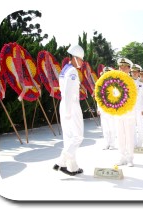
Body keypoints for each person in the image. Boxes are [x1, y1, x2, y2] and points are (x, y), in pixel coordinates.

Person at [53, 45, 85, 176]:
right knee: (78, 136)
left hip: (66, 105)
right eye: (81, 59)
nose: (82, 62)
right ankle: (61, 162)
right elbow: (68, 91)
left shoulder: (65, 69)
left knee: (69, 138)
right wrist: (68, 111)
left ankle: (72, 167)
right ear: (75, 58)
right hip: (71, 106)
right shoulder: (72, 71)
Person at [115, 58, 136, 167]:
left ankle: (130, 158)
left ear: (129, 69)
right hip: (118, 112)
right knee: (120, 135)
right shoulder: (115, 81)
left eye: (124, 67)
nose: (122, 69)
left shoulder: (132, 81)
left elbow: (134, 97)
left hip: (129, 112)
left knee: (129, 135)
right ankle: (121, 157)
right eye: (120, 67)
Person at [97, 66, 116, 150]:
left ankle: (112, 144)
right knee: (105, 127)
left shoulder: (115, 85)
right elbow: (98, 97)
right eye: (105, 73)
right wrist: (98, 107)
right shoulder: (100, 84)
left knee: (112, 127)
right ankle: (106, 143)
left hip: (111, 109)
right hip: (103, 109)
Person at [130, 64, 143, 148]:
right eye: (133, 72)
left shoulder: (142, 83)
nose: (135, 73)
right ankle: (133, 143)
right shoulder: (128, 81)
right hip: (130, 108)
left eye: (136, 72)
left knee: (140, 126)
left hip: (140, 108)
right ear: (131, 72)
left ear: (139, 73)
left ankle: (140, 144)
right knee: (132, 126)